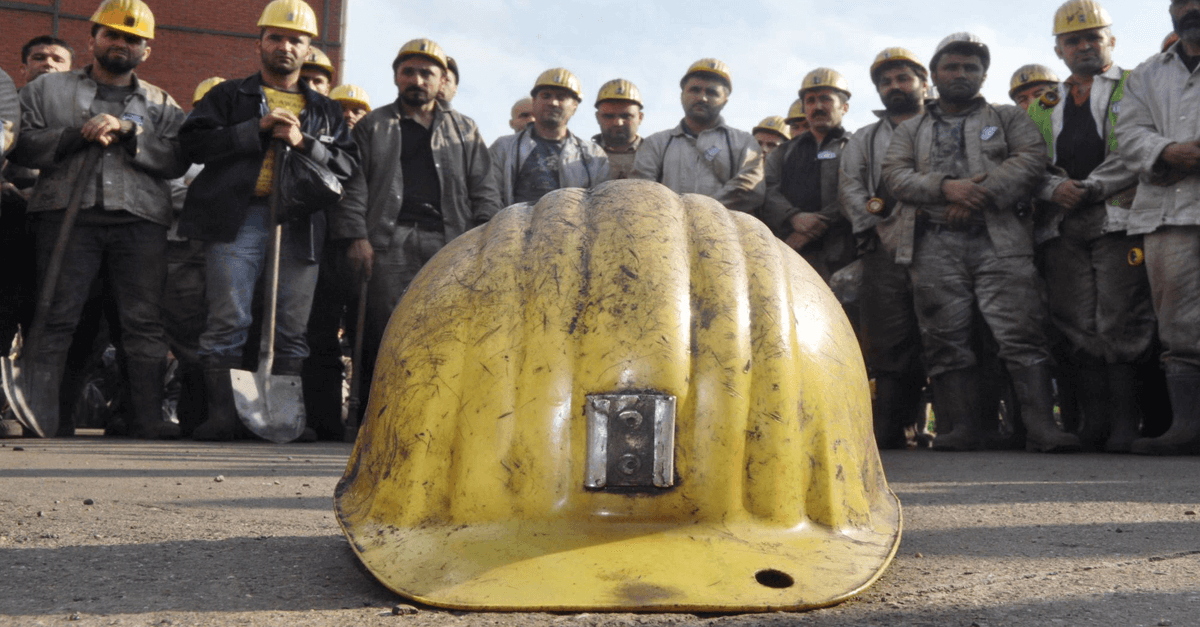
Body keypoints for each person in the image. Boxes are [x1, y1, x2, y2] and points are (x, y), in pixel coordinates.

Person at [881, 32, 1080, 453]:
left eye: (971, 67)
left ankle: (1042, 429)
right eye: (951, 67)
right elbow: (895, 177)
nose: (961, 74)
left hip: (1001, 240)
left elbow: (1030, 160)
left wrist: (976, 197)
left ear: (984, 75)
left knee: (1021, 333)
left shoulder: (1008, 117)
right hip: (933, 244)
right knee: (944, 336)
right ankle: (963, 428)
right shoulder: (911, 129)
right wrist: (946, 188)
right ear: (934, 75)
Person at [177, 0, 358, 441]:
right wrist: (253, 129)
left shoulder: (326, 111)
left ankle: (283, 420)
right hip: (238, 218)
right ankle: (222, 416)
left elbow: (348, 165)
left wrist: (303, 140)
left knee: (292, 327)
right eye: (275, 37)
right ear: (259, 41)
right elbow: (193, 144)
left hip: (301, 224)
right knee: (227, 318)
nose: (284, 46)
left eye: (295, 39)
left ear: (309, 48)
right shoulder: (228, 96)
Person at [9, 0, 188, 439]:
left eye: (133, 38)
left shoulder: (162, 104)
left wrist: (131, 134)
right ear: (92, 39)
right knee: (54, 314)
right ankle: (41, 419)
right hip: (65, 214)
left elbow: (179, 158)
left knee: (142, 322)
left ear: (147, 50)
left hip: (139, 221)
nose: (121, 43)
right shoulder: (45, 92)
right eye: (112, 34)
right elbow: (20, 144)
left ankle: (146, 419)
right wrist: (72, 135)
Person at [331, 37, 500, 429]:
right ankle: (377, 424)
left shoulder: (465, 130)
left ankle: (436, 424)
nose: (417, 79)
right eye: (409, 71)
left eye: (427, 72)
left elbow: (485, 190)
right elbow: (354, 186)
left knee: (448, 332)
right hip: (389, 243)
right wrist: (357, 236)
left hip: (450, 243)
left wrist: (481, 241)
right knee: (384, 332)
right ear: (396, 76)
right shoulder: (375, 126)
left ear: (442, 80)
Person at [1027, 0, 1153, 452]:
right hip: (1062, 224)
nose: (1083, 46)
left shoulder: (1137, 85)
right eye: (1072, 40)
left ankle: (1126, 423)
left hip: (1118, 216)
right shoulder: (1045, 102)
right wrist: (1050, 190)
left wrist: (1095, 186)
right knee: (1074, 320)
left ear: (1111, 41)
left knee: (1121, 317)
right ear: (1058, 49)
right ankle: (1094, 422)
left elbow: (1139, 146)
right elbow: (1028, 161)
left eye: (1092, 37)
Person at [1115, 0, 1200, 456]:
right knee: (1178, 326)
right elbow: (1128, 135)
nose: (1193, 8)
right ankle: (1187, 428)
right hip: (1168, 214)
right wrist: (1169, 152)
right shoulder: (1146, 74)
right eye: (1183, 0)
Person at [839, 48, 930, 449]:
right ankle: (891, 429)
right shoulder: (864, 138)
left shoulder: (943, 125)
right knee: (889, 339)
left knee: (947, 333)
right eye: (886, 82)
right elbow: (851, 189)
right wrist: (880, 223)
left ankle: (968, 429)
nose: (894, 87)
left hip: (941, 239)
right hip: (883, 245)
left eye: (903, 79)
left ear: (923, 83)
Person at [634, 58, 763, 214]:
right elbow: (640, 189)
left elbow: (749, 188)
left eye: (712, 92)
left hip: (725, 232)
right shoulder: (655, 143)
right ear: (682, 95)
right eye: (695, 90)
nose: (702, 98)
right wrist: (675, 216)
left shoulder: (744, 143)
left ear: (725, 101)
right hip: (667, 230)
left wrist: (701, 211)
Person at [761, 68, 855, 281]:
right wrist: (793, 216)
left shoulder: (856, 147)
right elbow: (768, 190)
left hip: (842, 256)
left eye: (826, 99)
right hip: (791, 254)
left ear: (844, 107)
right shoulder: (782, 153)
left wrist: (809, 229)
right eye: (811, 101)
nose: (818, 106)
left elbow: (855, 191)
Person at [490, 68, 608, 206]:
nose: (553, 102)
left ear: (575, 106)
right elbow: (489, 199)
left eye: (561, 97)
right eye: (546, 96)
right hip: (514, 227)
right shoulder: (504, 147)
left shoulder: (593, 155)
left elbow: (601, 206)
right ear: (534, 101)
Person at [592, 78, 644, 180]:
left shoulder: (658, 157)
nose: (618, 123)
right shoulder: (581, 157)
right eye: (609, 116)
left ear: (640, 117)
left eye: (626, 116)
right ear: (598, 117)